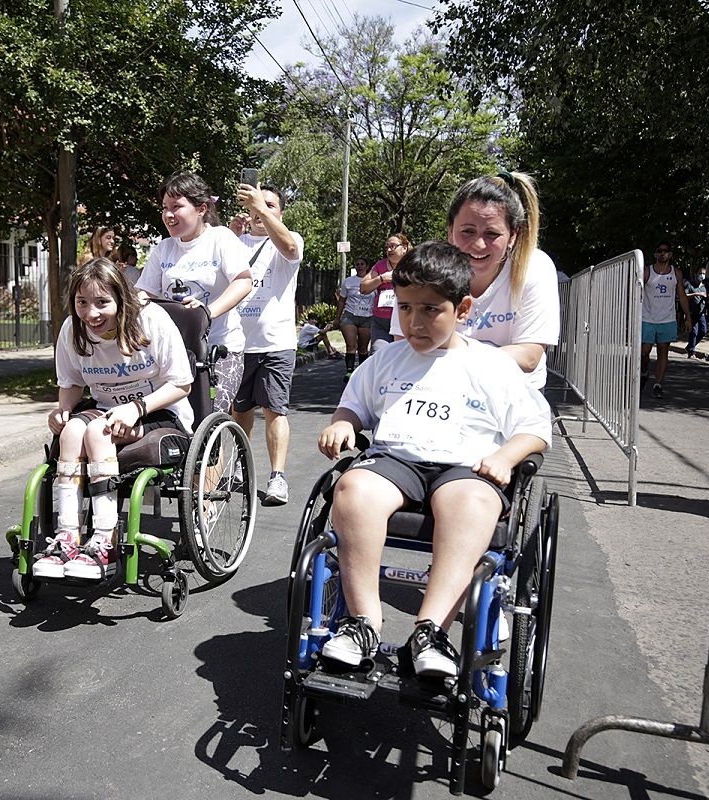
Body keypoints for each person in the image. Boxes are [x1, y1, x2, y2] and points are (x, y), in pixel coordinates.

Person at [316, 241, 551, 676]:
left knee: (473, 503)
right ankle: (363, 622)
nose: (414, 322)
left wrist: (506, 456)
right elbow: (355, 406)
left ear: (462, 309)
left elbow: (535, 428)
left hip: (465, 466)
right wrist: (344, 423)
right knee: (352, 489)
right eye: (405, 308)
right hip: (397, 461)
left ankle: (432, 631)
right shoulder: (386, 359)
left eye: (429, 310)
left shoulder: (492, 366)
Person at [41, 257, 194, 579]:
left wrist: (137, 408)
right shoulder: (74, 328)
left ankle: (104, 540)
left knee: (98, 432)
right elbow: (70, 382)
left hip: (160, 411)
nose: (91, 313)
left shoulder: (151, 320)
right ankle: (68, 536)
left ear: (120, 300)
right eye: (82, 302)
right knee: (69, 433)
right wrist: (62, 409)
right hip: (106, 407)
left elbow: (182, 384)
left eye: (102, 302)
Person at [389, 171, 561, 387]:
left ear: (513, 235)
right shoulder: (424, 269)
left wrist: (455, 358)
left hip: (513, 394)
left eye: (492, 234)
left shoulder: (534, 266)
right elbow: (404, 343)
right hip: (442, 389)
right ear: (450, 231)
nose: (479, 245)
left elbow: (529, 356)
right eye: (468, 231)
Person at [136, 172, 253, 413]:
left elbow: (243, 282)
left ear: (201, 209)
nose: (169, 215)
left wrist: (206, 312)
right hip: (174, 349)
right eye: (165, 208)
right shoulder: (163, 249)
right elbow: (144, 293)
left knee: (210, 420)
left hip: (220, 348)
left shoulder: (220, 238)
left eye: (177, 207)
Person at [227, 181, 306, 506]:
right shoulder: (234, 242)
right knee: (239, 411)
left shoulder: (289, 240)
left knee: (274, 410)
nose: (262, 209)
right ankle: (235, 466)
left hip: (276, 343)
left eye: (270, 205)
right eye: (259, 204)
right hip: (237, 343)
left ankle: (277, 478)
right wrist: (229, 235)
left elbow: (288, 247)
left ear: (280, 212)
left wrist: (260, 207)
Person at [640, 241, 692, 398]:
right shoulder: (647, 271)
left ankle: (658, 385)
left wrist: (688, 315)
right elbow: (636, 292)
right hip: (648, 318)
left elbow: (681, 295)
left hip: (667, 319)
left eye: (666, 251)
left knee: (663, 351)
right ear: (655, 254)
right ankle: (644, 370)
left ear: (670, 254)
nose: (663, 253)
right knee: (644, 352)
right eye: (659, 251)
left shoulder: (676, 273)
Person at [361, 234, 412, 352]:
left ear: (404, 247)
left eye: (393, 246)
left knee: (402, 359)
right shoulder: (380, 266)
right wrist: (381, 278)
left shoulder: (413, 265)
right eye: (387, 247)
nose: (389, 250)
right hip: (381, 322)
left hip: (404, 322)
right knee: (378, 356)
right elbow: (363, 287)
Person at [336, 257, 374, 382]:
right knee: (351, 345)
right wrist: (337, 319)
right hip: (350, 316)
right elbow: (342, 301)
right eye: (357, 264)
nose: (359, 266)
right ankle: (349, 371)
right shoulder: (348, 281)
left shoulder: (374, 281)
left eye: (362, 264)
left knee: (363, 348)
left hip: (367, 317)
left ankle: (362, 372)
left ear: (367, 266)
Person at [685, 265, 709, 358]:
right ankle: (691, 352)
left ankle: (690, 346)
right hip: (692, 312)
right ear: (695, 274)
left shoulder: (705, 286)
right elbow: (685, 295)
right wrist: (697, 293)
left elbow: (708, 295)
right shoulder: (690, 284)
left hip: (701, 312)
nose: (702, 275)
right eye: (700, 273)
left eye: (704, 274)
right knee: (694, 331)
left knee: (703, 331)